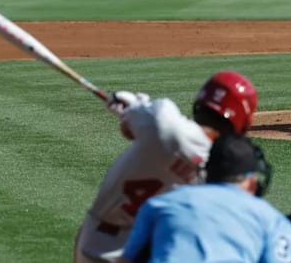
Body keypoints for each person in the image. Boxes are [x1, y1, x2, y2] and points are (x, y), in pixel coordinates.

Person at [73, 70, 258, 263]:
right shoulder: (224, 166)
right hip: (150, 250)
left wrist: (132, 108)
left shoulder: (163, 121)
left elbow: (128, 129)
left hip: (93, 240)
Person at [116, 134, 291, 263]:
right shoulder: (271, 219)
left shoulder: (160, 204)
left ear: (206, 173)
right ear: (251, 180)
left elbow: (126, 260)